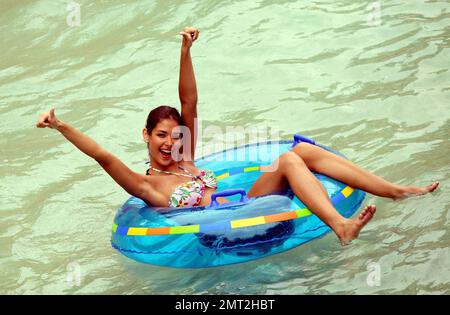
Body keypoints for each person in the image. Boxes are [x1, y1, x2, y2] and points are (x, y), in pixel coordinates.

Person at [36, 27, 439, 244]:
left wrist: (185, 50)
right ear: (145, 135)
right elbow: (102, 156)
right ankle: (340, 226)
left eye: (175, 136)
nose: (168, 143)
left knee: (299, 150)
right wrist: (61, 125)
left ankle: (397, 190)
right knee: (289, 160)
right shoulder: (147, 187)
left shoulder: (186, 160)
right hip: (217, 228)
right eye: (160, 135)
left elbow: (189, 103)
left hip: (245, 203)